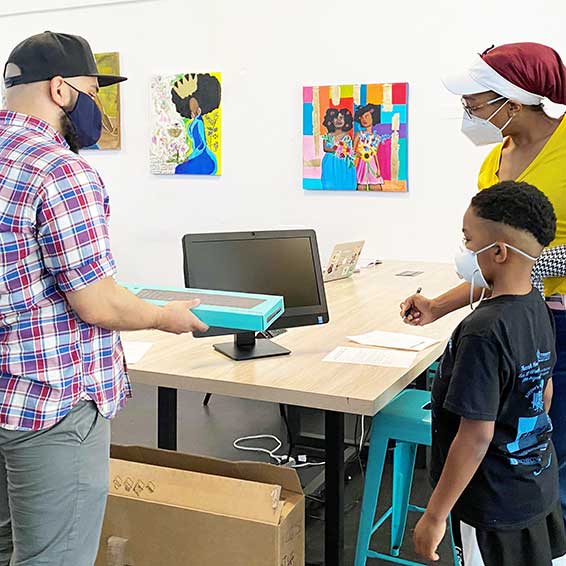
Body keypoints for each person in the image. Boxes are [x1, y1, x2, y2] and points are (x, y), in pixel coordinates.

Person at [0, 32, 208, 566]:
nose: (98, 107)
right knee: (54, 556)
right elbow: (97, 304)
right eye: (94, 91)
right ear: (61, 89)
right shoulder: (60, 169)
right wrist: (166, 316)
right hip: (50, 401)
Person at [402, 42, 566, 523]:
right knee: (509, 451)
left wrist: (544, 263)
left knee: (546, 454)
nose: (469, 116)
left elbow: (518, 260)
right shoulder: (495, 159)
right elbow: (496, 259)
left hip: (556, 325)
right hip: (519, 317)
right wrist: (439, 305)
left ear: (513, 102)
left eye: (474, 106)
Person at [413, 182, 566, 565]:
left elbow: (476, 436)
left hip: (492, 502)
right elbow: (543, 394)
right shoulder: (537, 304)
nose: (465, 251)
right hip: (535, 484)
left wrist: (434, 514)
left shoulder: (483, 332)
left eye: (468, 240)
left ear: (498, 252)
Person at [170, 73, 221, 175]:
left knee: (180, 170)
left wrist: (189, 157)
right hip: (196, 155)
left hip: (203, 158)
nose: (192, 108)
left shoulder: (198, 123)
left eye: (194, 105)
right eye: (190, 105)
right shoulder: (194, 122)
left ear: (200, 107)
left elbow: (201, 146)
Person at [321, 107, 356, 190]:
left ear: (346, 121)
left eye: (341, 118)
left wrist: (345, 151)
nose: (338, 120)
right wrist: (335, 149)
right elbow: (325, 148)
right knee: (330, 181)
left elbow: (349, 150)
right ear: (331, 120)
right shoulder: (328, 135)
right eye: (336, 118)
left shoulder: (346, 136)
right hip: (329, 162)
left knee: (343, 180)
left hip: (343, 162)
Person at [353, 103, 384, 191]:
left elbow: (375, 154)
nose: (364, 119)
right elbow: (352, 151)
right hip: (361, 164)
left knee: (376, 187)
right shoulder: (359, 134)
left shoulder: (377, 137)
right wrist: (359, 154)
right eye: (362, 117)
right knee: (361, 187)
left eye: (366, 116)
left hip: (372, 165)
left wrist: (378, 169)